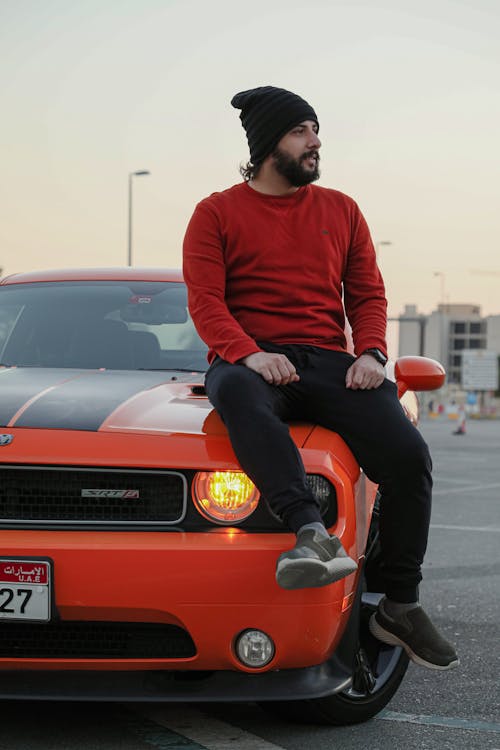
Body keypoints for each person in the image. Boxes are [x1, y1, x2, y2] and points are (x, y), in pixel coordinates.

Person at [183, 85, 458, 671]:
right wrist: (247, 354)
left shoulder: (341, 209)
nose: (316, 142)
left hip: (331, 362)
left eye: (315, 130)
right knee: (231, 388)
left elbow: (367, 294)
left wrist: (374, 354)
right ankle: (312, 532)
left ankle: (400, 605)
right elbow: (206, 302)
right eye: (302, 131)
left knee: (410, 457)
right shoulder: (215, 213)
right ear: (267, 146)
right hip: (254, 362)